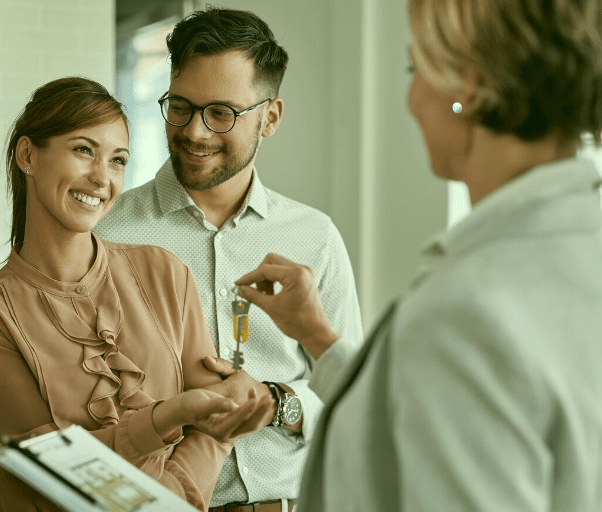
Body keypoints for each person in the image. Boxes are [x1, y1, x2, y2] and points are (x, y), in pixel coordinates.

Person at [235, 0, 602, 510]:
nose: (410, 98)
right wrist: (316, 336)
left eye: (415, 68)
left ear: (466, 88)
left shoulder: (467, 311)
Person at [0, 76, 271, 512]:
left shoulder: (165, 271)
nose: (101, 178)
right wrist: (169, 417)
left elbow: (215, 425)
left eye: (118, 161)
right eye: (83, 150)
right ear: (27, 155)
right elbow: (50, 472)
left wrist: (170, 500)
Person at [95, 7, 363, 511]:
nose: (195, 132)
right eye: (181, 106)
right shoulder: (109, 236)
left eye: (221, 112)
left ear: (270, 118)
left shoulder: (315, 238)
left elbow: (353, 400)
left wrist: (275, 403)